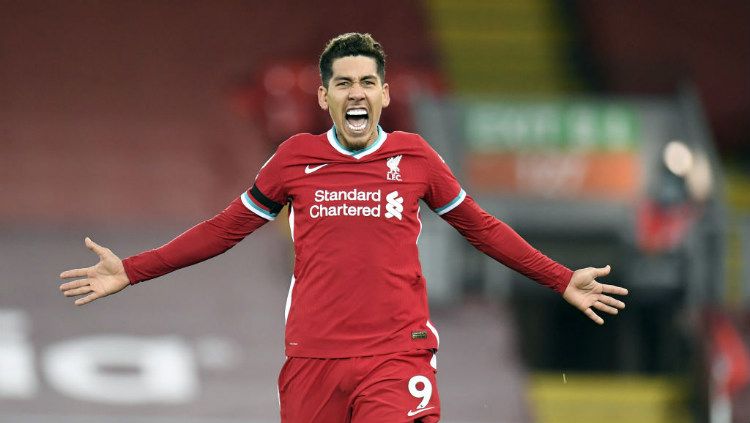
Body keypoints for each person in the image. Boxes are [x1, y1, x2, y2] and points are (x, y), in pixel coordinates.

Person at [59, 32, 628, 423]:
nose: (356, 92)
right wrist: (133, 270)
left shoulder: (417, 159)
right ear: (325, 96)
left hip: (395, 357)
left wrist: (559, 278)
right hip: (312, 361)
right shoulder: (293, 160)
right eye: (343, 83)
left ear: (382, 94)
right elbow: (224, 229)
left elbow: (481, 228)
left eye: (366, 82)